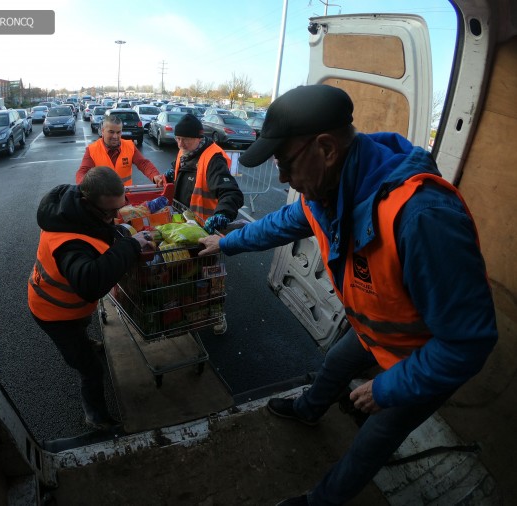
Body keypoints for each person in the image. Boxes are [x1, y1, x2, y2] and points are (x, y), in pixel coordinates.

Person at [197, 85, 498, 506]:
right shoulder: (328, 191)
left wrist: (388, 388)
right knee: (337, 361)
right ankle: (309, 409)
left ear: (326, 148)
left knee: (371, 441)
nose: (282, 178)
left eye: (285, 162)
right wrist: (226, 243)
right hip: (373, 333)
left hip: (419, 359)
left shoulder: (423, 219)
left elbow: (469, 343)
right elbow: (281, 223)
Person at [27, 166, 156, 431]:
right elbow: (90, 283)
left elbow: (99, 230)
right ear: (88, 203)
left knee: (81, 329)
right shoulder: (69, 244)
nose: (114, 217)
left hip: (68, 308)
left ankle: (85, 340)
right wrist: (131, 246)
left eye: (119, 208)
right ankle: (96, 417)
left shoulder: (74, 210)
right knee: (91, 369)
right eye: (109, 213)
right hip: (54, 313)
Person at [163, 113, 244, 235]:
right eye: (178, 138)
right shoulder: (185, 151)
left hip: (203, 228)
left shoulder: (213, 159)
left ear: (198, 138)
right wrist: (171, 173)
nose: (180, 144)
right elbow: (178, 167)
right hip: (182, 220)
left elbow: (231, 192)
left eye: (185, 139)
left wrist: (223, 213)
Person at [77, 114, 164, 187]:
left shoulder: (129, 146)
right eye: (111, 132)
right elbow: (83, 172)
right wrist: (83, 186)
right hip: (102, 200)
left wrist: (155, 175)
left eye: (118, 132)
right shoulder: (92, 150)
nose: (115, 136)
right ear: (102, 131)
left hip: (125, 198)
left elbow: (143, 163)